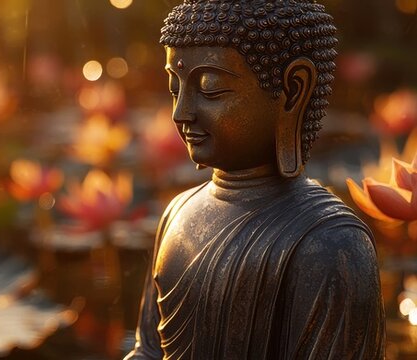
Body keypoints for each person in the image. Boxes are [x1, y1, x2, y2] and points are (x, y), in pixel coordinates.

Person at [125, 0, 385, 358]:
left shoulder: (331, 243)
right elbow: (148, 351)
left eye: (210, 89)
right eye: (174, 88)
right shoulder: (177, 213)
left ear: (293, 90)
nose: (180, 112)